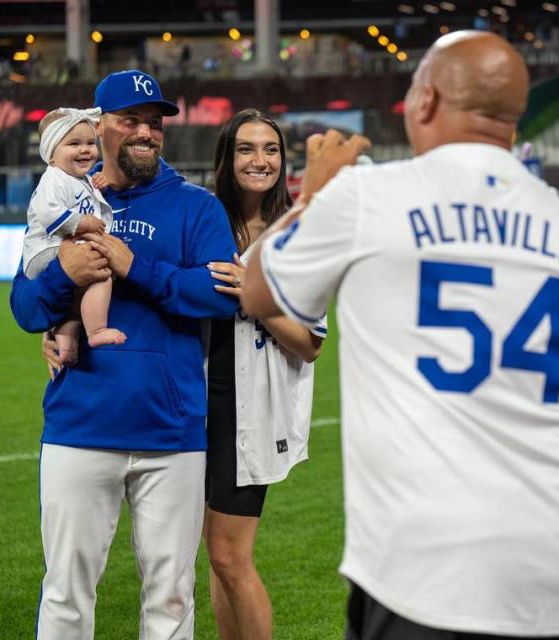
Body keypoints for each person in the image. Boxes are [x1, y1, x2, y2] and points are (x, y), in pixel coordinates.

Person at [241, 31, 559, 639]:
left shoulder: (368, 196)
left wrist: (313, 194)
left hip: (430, 569)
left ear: (426, 101)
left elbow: (258, 289)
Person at [10, 69, 239, 639]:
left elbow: (218, 295)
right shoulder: (64, 195)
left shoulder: (196, 207)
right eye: (130, 121)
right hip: (80, 423)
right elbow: (25, 308)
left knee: (171, 598)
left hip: (173, 432)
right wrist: (65, 274)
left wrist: (136, 268)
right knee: (65, 592)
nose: (145, 133)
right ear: (99, 126)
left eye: (154, 123)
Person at [202, 109, 325, 640]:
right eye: (247, 149)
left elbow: (311, 343)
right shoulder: (201, 219)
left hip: (245, 409)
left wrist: (257, 297)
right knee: (215, 556)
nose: (260, 160)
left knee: (231, 557)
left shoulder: (297, 235)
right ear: (227, 159)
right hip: (191, 398)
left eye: (270, 150)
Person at [22, 107, 124, 365]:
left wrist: (96, 182)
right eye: (74, 144)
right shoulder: (54, 178)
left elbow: (87, 201)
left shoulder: (77, 178)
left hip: (53, 249)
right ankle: (97, 330)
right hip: (47, 250)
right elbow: (46, 213)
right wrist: (80, 223)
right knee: (102, 271)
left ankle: (66, 337)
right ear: (51, 155)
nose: (85, 149)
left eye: (90, 143)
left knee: (78, 296)